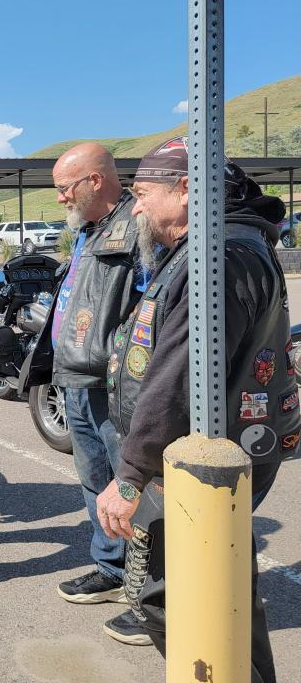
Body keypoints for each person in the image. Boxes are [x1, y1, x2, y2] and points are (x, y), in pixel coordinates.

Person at [99, 137, 298, 681]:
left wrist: (131, 474)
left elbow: (178, 378)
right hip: (206, 450)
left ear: (187, 190)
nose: (135, 209)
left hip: (201, 459)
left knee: (167, 597)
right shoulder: (218, 246)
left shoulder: (219, 258)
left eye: (142, 194)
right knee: (224, 591)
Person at [23, 143, 149, 643]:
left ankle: (149, 592)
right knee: (94, 480)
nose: (60, 198)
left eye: (64, 188)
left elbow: (152, 307)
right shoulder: (89, 230)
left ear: (95, 181)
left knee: (131, 487)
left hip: (111, 385)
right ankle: (111, 569)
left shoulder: (137, 226)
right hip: (75, 378)